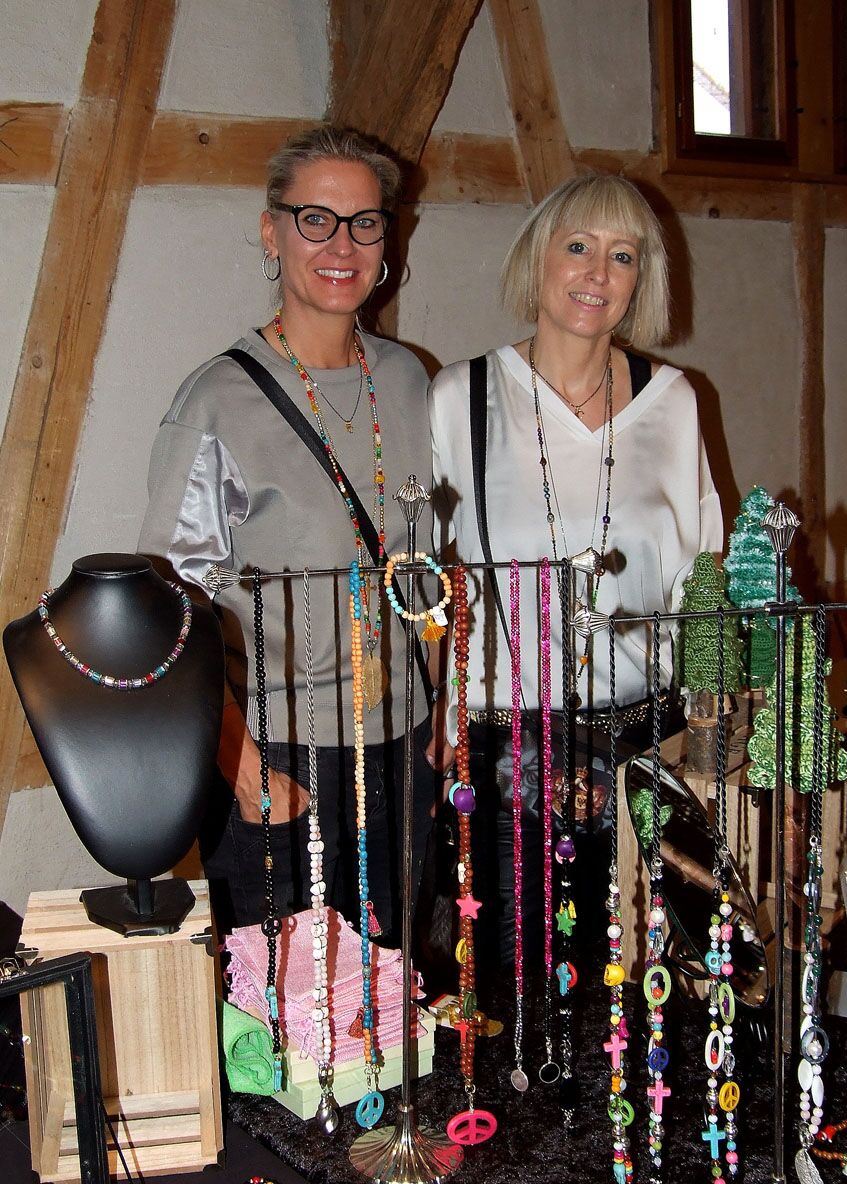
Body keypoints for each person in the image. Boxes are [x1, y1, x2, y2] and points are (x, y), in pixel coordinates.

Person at [139, 126, 438, 940]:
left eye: (365, 222)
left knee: (391, 984)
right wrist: (239, 767)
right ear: (272, 233)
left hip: (403, 745)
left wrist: (440, 714)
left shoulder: (410, 379)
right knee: (284, 1003)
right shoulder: (217, 401)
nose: (342, 245)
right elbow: (168, 616)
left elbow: (426, 567)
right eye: (316, 220)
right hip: (280, 757)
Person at [427, 171, 723, 963]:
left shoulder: (675, 400)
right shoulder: (462, 398)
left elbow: (703, 574)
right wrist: (438, 715)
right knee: (515, 987)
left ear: (640, 279)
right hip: (506, 749)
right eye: (580, 247)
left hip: (649, 746)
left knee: (649, 991)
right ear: (539, 259)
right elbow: (428, 575)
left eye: (623, 255)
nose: (598, 273)